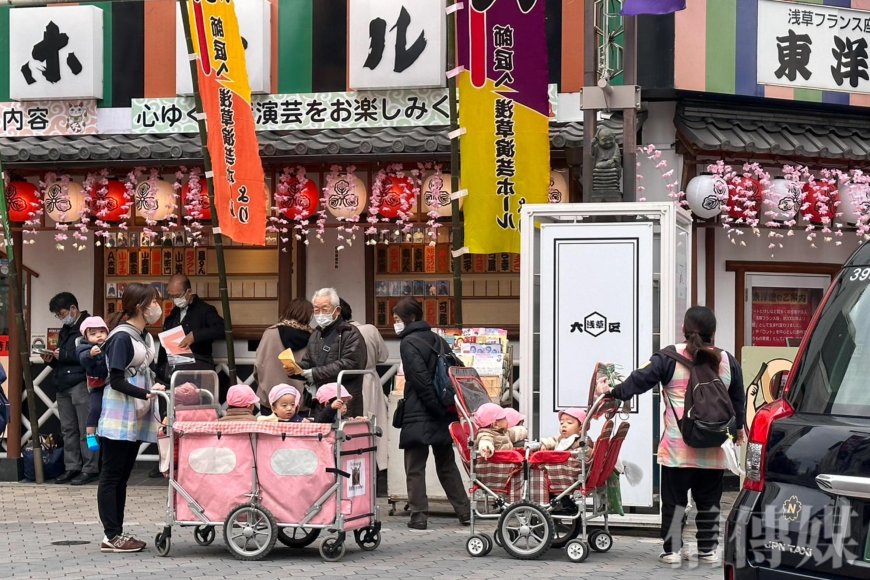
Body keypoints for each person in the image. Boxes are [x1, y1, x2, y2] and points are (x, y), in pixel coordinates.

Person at [594, 305, 745, 565]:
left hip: (678, 449)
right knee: (709, 502)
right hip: (714, 446)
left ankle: (673, 550)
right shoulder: (727, 360)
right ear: (713, 332)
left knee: (675, 502)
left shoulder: (668, 358)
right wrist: (738, 431)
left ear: (684, 329)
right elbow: (738, 402)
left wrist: (613, 393)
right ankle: (707, 550)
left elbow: (638, 380)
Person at [97, 283, 165, 553]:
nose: (157, 307)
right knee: (112, 475)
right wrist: (145, 392)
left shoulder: (143, 336)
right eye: (154, 302)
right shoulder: (121, 338)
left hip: (136, 412)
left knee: (122, 475)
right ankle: (111, 535)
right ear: (140, 306)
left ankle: (117, 532)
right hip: (119, 413)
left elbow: (149, 370)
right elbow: (115, 380)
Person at [393, 297, 470, 530]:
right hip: (443, 410)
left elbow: (420, 380)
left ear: (410, 318)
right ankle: (465, 511)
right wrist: (442, 408)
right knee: (446, 463)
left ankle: (418, 516)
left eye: (397, 319)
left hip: (419, 410)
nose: (395, 323)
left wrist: (433, 405)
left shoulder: (408, 343)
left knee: (415, 465)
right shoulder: (438, 339)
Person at [45, 292, 99, 485]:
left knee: (87, 428)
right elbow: (63, 356)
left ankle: (90, 468)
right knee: (68, 429)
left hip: (81, 382)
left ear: (73, 308)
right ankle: (72, 466)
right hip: (62, 382)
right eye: (58, 315)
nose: (61, 318)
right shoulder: (65, 329)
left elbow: (91, 353)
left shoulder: (89, 326)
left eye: (61, 314)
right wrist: (51, 359)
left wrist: (64, 355)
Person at [299, 288, 367, 417]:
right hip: (320, 401)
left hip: (344, 401)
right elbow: (308, 361)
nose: (320, 314)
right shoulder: (316, 334)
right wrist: (296, 369)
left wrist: (314, 373)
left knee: (342, 429)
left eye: (325, 309)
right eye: (316, 310)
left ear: (337, 310)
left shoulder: (350, 333)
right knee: (320, 429)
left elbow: (351, 364)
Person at [339, 298, 390, 468]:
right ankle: (376, 466)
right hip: (370, 380)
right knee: (374, 423)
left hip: (344, 382)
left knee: (349, 426)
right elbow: (383, 356)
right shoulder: (370, 330)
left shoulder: (336, 334)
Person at [254, 298, 313, 414]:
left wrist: (263, 386)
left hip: (271, 399)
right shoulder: (314, 337)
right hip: (299, 402)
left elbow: (258, 365)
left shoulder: (270, 333)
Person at [161, 273, 225, 374]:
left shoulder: (205, 310)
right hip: (174, 369)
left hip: (199, 369)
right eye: (171, 296)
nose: (174, 300)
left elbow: (222, 328)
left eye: (177, 296)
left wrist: (195, 335)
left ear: (189, 292)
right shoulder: (173, 314)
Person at [76, 316, 110, 454]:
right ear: (86, 336)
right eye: (93, 334)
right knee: (95, 408)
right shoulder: (84, 347)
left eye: (102, 332)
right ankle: (90, 434)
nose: (99, 336)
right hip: (97, 385)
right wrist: (90, 354)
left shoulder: (112, 343)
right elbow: (82, 358)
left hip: (112, 383)